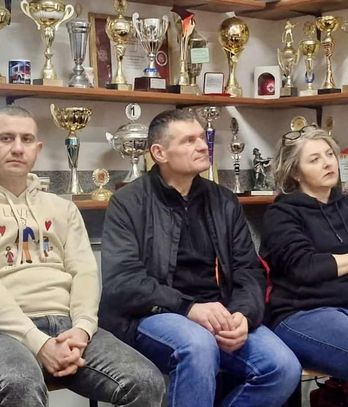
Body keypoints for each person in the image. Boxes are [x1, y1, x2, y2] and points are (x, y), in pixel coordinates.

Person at [0, 106, 165, 407]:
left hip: (69, 326)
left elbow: (84, 273)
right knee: (22, 384)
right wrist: (40, 343)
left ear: (38, 149)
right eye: (6, 138)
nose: (17, 148)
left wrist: (82, 329)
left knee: (145, 381)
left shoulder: (62, 208)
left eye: (26, 139)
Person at [99, 108, 301, 407]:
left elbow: (248, 269)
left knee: (282, 367)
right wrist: (188, 308)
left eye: (202, 138)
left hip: (220, 312)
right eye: (188, 140)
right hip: (152, 314)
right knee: (197, 345)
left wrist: (243, 315)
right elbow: (123, 281)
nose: (203, 146)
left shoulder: (224, 200)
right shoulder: (128, 201)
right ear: (159, 153)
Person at [260, 125, 348, 378]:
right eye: (315, 159)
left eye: (329, 155)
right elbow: (305, 268)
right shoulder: (281, 214)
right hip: (303, 314)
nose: (327, 163)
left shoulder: (345, 205)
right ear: (296, 172)